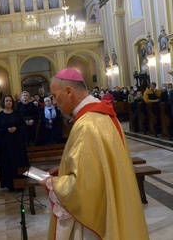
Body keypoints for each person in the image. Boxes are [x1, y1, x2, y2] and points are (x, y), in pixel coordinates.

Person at [40, 68, 148, 239]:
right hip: (110, 203)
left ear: (68, 91)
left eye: (54, 95)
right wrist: (63, 169)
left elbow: (84, 188)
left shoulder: (86, 125)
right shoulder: (102, 115)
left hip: (93, 221)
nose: (53, 101)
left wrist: (53, 183)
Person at [0, 95, 28, 192]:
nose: (8, 102)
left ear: (12, 102)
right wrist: (6, 130)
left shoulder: (17, 113)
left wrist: (16, 128)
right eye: (6, 100)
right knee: (8, 163)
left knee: (18, 162)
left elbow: (23, 126)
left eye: (10, 100)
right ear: (3, 102)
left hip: (17, 143)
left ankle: (20, 184)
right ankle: (10, 184)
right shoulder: (0, 115)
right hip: (5, 144)